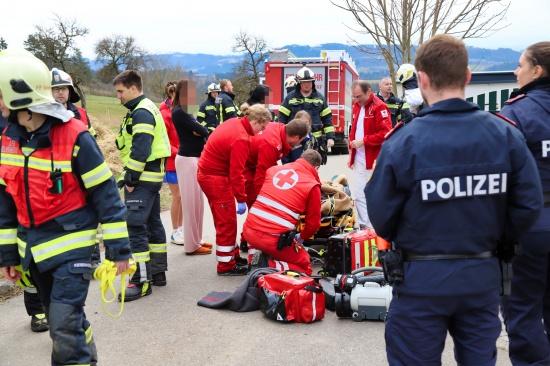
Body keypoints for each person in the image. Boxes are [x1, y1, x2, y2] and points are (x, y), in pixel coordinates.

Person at [365, 34, 543, 365]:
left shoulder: (403, 142)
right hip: (482, 278)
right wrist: (500, 240)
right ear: (468, 77)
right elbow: (529, 204)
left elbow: (380, 214)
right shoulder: (504, 134)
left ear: (422, 79)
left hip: (420, 282)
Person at [0, 48, 132, 365]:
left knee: (61, 326)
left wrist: (119, 249)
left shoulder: (75, 136)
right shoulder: (8, 139)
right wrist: (6, 254)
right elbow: (5, 200)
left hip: (73, 252)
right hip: (34, 252)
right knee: (67, 323)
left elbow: (105, 194)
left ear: (18, 96)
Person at [499, 41, 550, 366]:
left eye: (520, 65)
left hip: (531, 226)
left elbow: (498, 177)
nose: (516, 71)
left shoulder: (516, 112)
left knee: (523, 310)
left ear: (537, 71)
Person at [113, 69, 171, 301]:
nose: (118, 96)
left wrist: (130, 179)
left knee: (135, 226)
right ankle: (158, 273)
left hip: (143, 178)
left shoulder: (142, 112)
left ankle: (141, 280)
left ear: (133, 88)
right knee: (153, 223)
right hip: (151, 177)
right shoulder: (144, 108)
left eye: (121, 91)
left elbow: (141, 149)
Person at [197, 104, 271, 275]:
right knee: (227, 221)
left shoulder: (236, 123)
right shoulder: (241, 139)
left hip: (209, 174)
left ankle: (232, 256)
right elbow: (237, 173)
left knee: (224, 218)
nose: (262, 130)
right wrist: (242, 198)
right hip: (216, 178)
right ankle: (226, 266)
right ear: (255, 121)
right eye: (263, 126)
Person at [242, 149, 323, 275]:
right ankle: (266, 265)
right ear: (316, 167)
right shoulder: (312, 185)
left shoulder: (273, 170)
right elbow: (313, 224)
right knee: (305, 267)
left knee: (260, 239)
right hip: (273, 239)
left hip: (249, 230)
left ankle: (253, 261)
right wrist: (302, 237)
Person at [239, 118, 309, 254]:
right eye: (301, 140)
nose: (300, 144)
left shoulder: (280, 128)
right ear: (295, 137)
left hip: (254, 162)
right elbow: (261, 175)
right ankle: (249, 242)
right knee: (257, 207)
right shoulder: (271, 144)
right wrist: (265, 200)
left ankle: (245, 239)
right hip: (248, 168)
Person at [172, 79, 213, 255]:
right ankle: (191, 245)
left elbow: (201, 131)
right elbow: (203, 131)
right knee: (190, 204)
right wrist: (200, 131)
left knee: (198, 204)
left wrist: (200, 131)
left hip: (194, 159)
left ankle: (197, 239)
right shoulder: (180, 112)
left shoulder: (186, 111)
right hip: (187, 160)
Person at [348, 80, 392, 229]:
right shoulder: (356, 106)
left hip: (373, 159)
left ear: (368, 92)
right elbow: (354, 128)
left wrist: (364, 141)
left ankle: (375, 227)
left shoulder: (379, 107)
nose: (357, 100)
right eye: (354, 97)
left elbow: (386, 133)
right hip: (359, 158)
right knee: (359, 194)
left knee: (373, 195)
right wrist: (352, 152)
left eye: (359, 96)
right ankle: (364, 226)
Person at [278, 66, 335, 164]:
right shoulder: (290, 98)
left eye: (309, 81)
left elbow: (327, 119)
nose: (307, 84)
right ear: (299, 82)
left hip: (313, 141)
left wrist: (330, 137)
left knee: (311, 169)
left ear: (313, 82)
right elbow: (281, 119)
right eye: (304, 82)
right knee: (292, 167)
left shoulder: (320, 98)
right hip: (294, 141)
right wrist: (281, 137)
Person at [159, 81, 184, 246]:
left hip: (182, 158)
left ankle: (180, 229)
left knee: (182, 198)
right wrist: (180, 152)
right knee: (178, 197)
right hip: (171, 162)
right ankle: (175, 231)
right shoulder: (164, 114)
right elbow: (164, 142)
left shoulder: (179, 110)